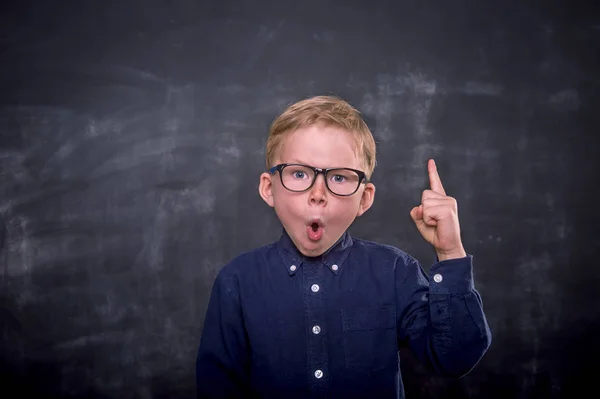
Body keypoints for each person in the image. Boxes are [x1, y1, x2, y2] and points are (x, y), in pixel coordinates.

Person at [195, 95, 492, 398]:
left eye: (338, 177)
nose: (318, 193)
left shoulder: (395, 272)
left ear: (364, 198)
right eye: (299, 173)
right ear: (269, 188)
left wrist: (450, 252)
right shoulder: (237, 281)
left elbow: (455, 358)